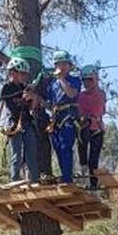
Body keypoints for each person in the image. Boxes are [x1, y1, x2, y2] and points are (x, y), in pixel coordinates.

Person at [0, 57, 39, 182]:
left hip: (27, 122)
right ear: (13, 72)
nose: (24, 77)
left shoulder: (26, 88)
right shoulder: (7, 88)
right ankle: (15, 179)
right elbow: (1, 105)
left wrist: (33, 98)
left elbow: (32, 108)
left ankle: (34, 180)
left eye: (25, 74)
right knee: (17, 153)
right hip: (13, 123)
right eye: (22, 74)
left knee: (31, 152)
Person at [45, 55, 81, 184]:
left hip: (69, 117)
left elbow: (72, 94)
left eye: (65, 64)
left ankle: (67, 177)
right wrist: (37, 99)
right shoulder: (52, 85)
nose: (63, 67)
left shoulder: (74, 80)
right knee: (58, 148)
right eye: (60, 64)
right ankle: (64, 175)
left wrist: (61, 79)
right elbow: (50, 104)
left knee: (66, 147)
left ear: (69, 66)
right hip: (56, 119)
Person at [75, 64, 108, 192]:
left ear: (95, 79)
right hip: (85, 126)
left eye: (89, 80)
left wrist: (95, 118)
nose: (86, 83)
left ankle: (93, 184)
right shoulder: (81, 96)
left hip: (97, 128)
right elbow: (79, 113)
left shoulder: (101, 94)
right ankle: (83, 171)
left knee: (94, 159)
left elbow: (102, 110)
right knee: (82, 145)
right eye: (84, 80)